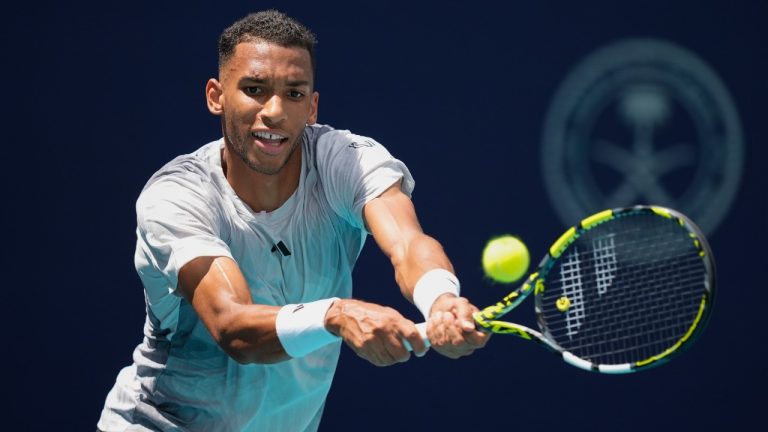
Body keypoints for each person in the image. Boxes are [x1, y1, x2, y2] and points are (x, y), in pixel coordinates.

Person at [98, 9, 489, 431]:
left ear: (312, 106)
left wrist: (440, 299)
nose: (275, 111)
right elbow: (233, 325)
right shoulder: (177, 195)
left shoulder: (346, 161)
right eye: (254, 89)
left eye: (294, 93)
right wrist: (335, 315)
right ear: (216, 96)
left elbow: (408, 243)